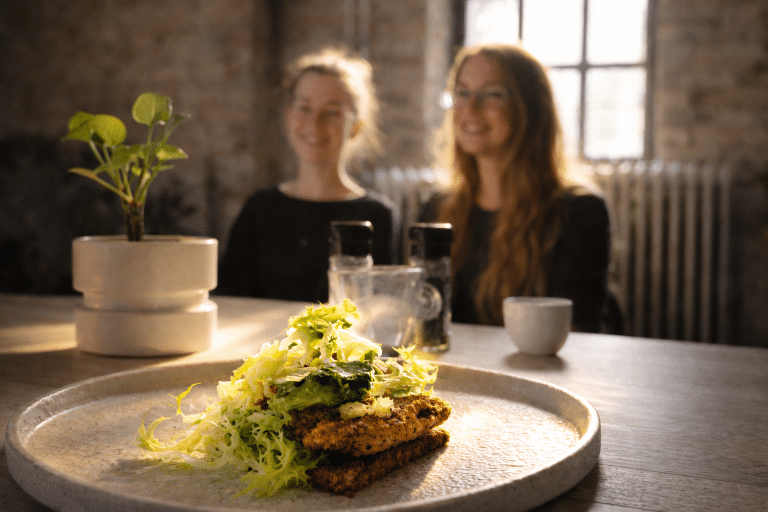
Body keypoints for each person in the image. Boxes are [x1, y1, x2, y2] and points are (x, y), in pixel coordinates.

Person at [421, 43, 612, 332]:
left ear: (530, 107)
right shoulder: (437, 208)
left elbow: (576, 334)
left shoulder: (580, 213)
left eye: (493, 94)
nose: (470, 108)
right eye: (463, 92)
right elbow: (418, 318)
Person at [218, 48, 400, 302]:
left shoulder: (378, 217)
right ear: (288, 115)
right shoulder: (259, 208)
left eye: (332, 112)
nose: (315, 123)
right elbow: (229, 300)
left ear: (356, 126)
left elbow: (381, 313)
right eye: (304, 108)